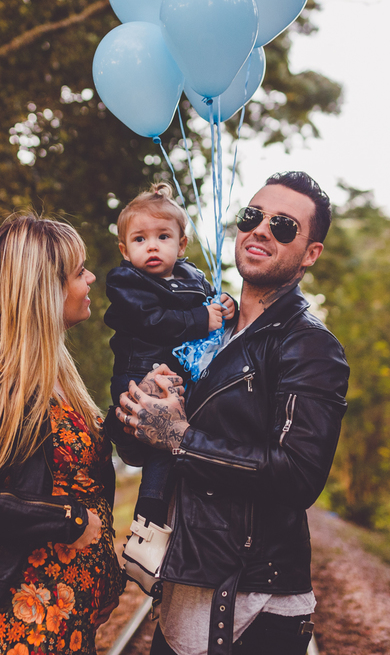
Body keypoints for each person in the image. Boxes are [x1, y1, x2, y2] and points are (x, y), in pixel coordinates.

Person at [115, 171, 349, 655]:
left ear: (310, 254)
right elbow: (139, 451)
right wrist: (138, 409)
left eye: (284, 226)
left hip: (252, 606)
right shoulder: (204, 329)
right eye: (253, 216)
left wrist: (180, 436)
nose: (261, 229)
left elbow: (298, 477)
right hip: (184, 588)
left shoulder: (310, 347)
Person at [0, 213, 148, 655]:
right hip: (17, 623)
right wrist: (69, 520)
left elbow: (78, 471)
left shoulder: (58, 376)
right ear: (46, 288)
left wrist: (139, 407)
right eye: (78, 271)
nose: (89, 279)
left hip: (66, 618)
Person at [104, 183, 235, 528]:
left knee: (171, 446)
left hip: (179, 379)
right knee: (152, 442)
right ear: (124, 248)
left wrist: (225, 305)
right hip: (138, 374)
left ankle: (158, 519)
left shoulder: (194, 277)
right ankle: (147, 519)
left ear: (181, 244)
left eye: (163, 237)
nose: (152, 246)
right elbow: (151, 320)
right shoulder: (126, 282)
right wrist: (199, 320)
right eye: (139, 239)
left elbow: (212, 304)